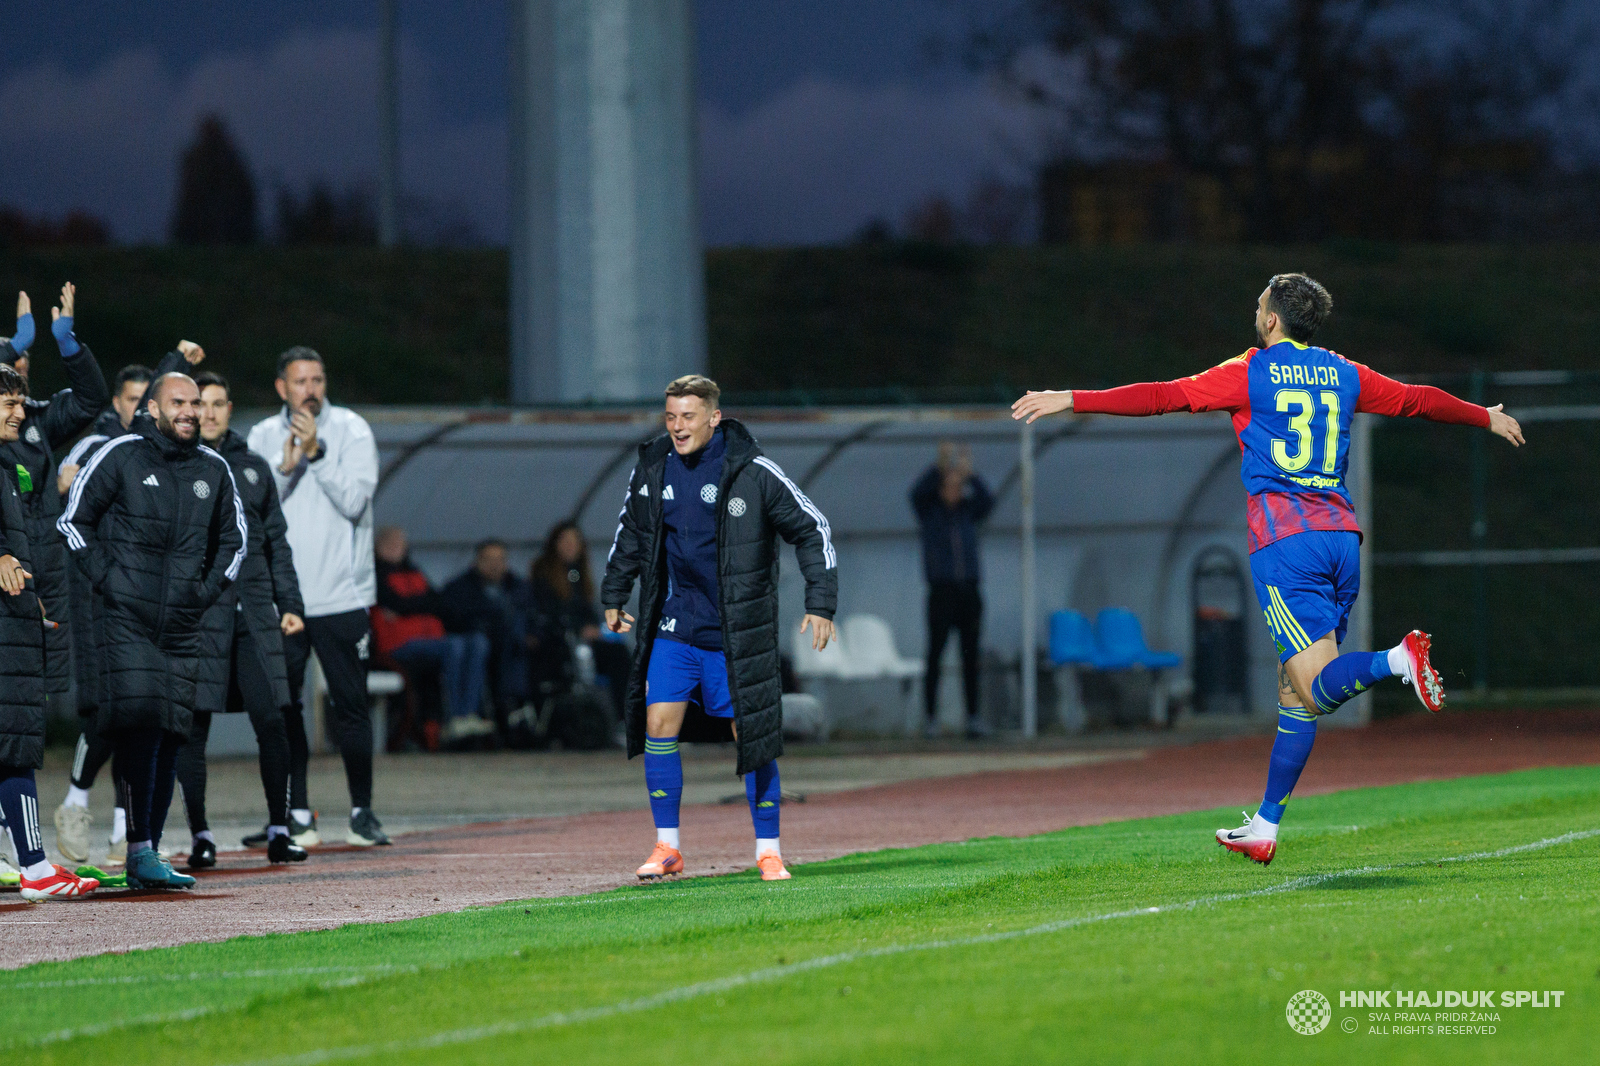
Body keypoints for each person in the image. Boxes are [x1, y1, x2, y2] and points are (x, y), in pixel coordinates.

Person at [1012, 273, 1525, 866]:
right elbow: (1417, 399)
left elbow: (1163, 396)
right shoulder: (1344, 371)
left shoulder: (1249, 370)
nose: (1255, 312)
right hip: (1340, 537)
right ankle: (1264, 824)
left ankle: (1397, 659)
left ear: (1273, 320)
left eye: (1259, 305)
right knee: (1297, 693)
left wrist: (1074, 398)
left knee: (1314, 686)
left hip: (1287, 542)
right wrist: (1482, 416)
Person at [602, 374, 838, 883]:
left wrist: (821, 603)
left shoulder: (754, 472)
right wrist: (614, 593)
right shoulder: (653, 467)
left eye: (688, 417)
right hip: (674, 623)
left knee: (748, 734)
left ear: (715, 417)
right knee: (657, 722)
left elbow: (813, 530)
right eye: (670, 417)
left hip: (735, 631)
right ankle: (668, 847)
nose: (677, 427)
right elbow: (632, 532)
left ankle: (769, 849)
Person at [58, 371, 247, 889]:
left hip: (183, 625)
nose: (190, 411)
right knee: (140, 726)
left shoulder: (215, 469)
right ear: (155, 409)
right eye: (178, 402)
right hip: (125, 620)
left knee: (170, 735)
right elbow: (74, 521)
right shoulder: (121, 453)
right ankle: (138, 848)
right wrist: (109, 580)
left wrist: (203, 593)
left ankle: (148, 851)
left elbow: (234, 542)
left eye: (195, 402)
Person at [248, 347, 390, 846]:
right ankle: (296, 814)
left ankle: (361, 811)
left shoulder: (351, 430)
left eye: (318, 378)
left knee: (351, 707)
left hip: (342, 597)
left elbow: (354, 502)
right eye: (300, 380)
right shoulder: (263, 436)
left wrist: (317, 454)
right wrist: (286, 466)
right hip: (284, 601)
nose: (310, 388)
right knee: (284, 710)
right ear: (281, 388)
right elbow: (257, 515)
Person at [174, 371, 309, 867]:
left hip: (253, 615)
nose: (206, 413)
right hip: (199, 615)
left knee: (273, 719)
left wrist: (290, 604)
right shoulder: (176, 464)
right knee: (192, 727)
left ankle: (279, 827)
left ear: (230, 408)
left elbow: (277, 543)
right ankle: (202, 836)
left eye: (216, 403)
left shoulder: (253, 467)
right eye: (198, 404)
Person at [0, 362, 99, 900]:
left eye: (22, 402)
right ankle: (34, 867)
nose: (22, 413)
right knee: (13, 746)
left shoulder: (10, 463)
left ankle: (35, 865)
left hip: (15, 622)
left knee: (11, 746)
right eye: (10, 404)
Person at [374, 526, 494, 743]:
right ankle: (456, 717)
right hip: (398, 644)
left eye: (400, 543)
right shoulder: (374, 575)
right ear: (378, 546)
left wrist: (407, 608)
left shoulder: (415, 572)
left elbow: (436, 602)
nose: (396, 548)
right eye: (390, 544)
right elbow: (395, 601)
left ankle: (470, 713)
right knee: (455, 647)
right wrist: (419, 604)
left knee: (478, 642)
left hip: (430, 639)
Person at [910, 442, 995, 739]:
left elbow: (988, 499)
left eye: (959, 486)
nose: (955, 491)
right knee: (935, 654)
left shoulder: (968, 513)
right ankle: (931, 718)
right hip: (941, 592)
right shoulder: (930, 513)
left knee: (970, 656)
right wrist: (940, 466)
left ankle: (973, 717)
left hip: (969, 591)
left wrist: (969, 474)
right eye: (950, 485)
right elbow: (916, 494)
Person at [526, 520, 629, 718]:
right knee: (616, 655)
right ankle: (617, 718)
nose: (570, 546)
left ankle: (623, 717)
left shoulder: (578, 575)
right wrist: (578, 629)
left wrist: (591, 627)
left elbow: (587, 610)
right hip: (558, 644)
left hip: (581, 641)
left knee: (621, 653)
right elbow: (547, 613)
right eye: (565, 541)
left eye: (574, 541)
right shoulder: (543, 575)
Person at [440, 538, 530, 723]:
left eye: (500, 559)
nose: (495, 565)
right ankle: (464, 716)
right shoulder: (459, 588)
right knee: (472, 646)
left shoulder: (518, 588)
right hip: (477, 647)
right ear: (477, 561)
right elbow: (455, 618)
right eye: (489, 559)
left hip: (511, 650)